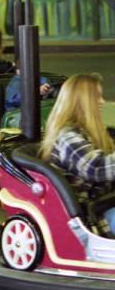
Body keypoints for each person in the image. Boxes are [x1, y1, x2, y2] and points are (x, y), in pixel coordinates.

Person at [40, 74, 115, 232]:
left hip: (105, 201)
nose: (102, 102)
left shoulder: (89, 131)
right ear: (80, 102)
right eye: (96, 97)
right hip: (93, 213)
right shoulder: (67, 135)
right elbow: (95, 168)